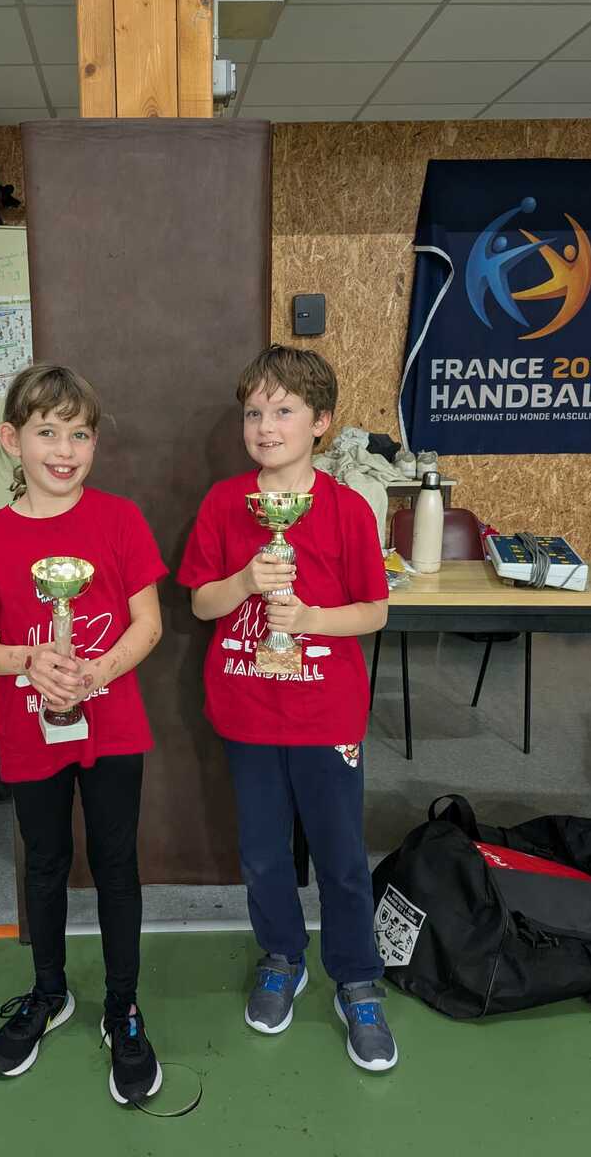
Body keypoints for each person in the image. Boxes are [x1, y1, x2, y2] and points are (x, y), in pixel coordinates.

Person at [0, 365, 167, 1103]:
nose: (64, 450)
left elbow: (148, 623)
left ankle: (123, 1007)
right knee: (44, 862)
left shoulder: (120, 520)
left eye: (80, 434)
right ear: (13, 440)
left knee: (116, 863)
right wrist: (29, 661)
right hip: (31, 731)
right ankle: (49, 992)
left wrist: (95, 674)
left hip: (112, 726)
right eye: (47, 432)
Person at [177, 344, 397, 1072]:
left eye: (284, 411)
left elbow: (374, 612)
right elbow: (201, 603)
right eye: (253, 413)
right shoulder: (223, 504)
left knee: (341, 856)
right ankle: (281, 956)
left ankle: (357, 978)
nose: (265, 427)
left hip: (326, 714)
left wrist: (310, 620)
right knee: (264, 853)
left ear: (321, 422)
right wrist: (245, 579)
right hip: (247, 707)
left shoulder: (347, 509)